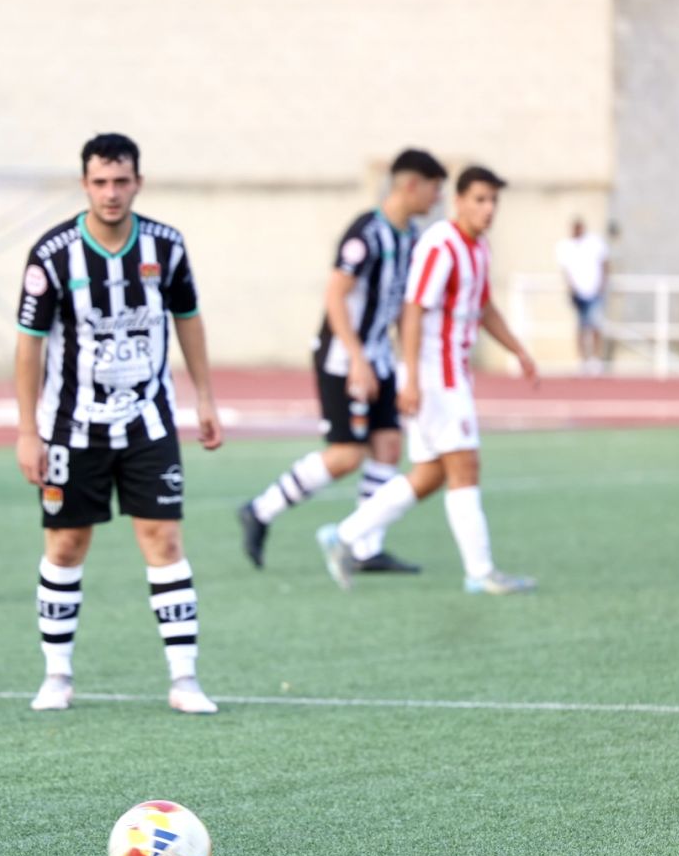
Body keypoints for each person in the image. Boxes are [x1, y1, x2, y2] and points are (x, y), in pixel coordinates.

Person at [13, 133, 224, 716]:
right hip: (71, 429)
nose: (111, 193)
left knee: (163, 539)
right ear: (85, 185)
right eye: (100, 182)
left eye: (121, 181)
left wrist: (205, 397)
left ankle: (184, 679)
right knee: (66, 543)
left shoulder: (166, 245)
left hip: (148, 425)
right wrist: (28, 430)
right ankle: (57, 676)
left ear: (138, 182)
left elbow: (189, 320)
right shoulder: (53, 254)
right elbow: (28, 347)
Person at [320, 167, 538, 595]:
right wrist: (413, 380)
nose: (488, 208)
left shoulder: (479, 248)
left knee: (431, 474)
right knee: (465, 466)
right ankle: (480, 572)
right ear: (457, 201)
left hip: (453, 375)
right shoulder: (441, 244)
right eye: (479, 199)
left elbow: (484, 305)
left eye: (494, 200)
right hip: (435, 376)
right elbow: (414, 309)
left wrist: (518, 349)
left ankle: (343, 536)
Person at [238, 149, 448, 573]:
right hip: (343, 357)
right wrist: (356, 358)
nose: (436, 197)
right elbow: (335, 294)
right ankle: (260, 510)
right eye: (433, 188)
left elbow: (406, 306)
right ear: (411, 185)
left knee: (389, 445)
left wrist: (402, 366)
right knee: (346, 455)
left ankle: (366, 546)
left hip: (380, 357)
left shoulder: (411, 236)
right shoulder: (366, 232)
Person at [556, 216, 608, 374]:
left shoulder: (595, 242)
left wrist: (602, 285)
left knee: (595, 325)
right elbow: (566, 270)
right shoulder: (566, 246)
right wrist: (571, 287)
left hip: (595, 291)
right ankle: (582, 360)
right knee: (581, 326)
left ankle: (596, 359)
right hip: (578, 293)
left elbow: (605, 263)